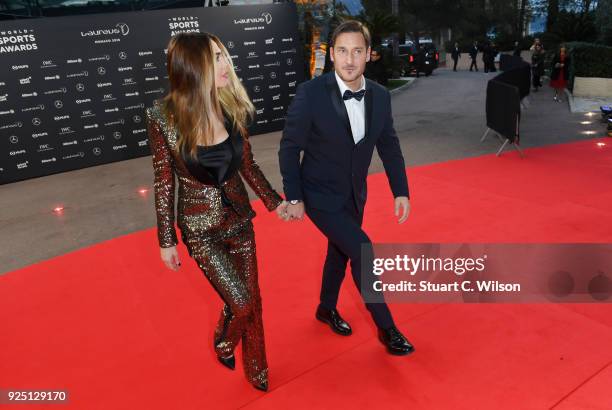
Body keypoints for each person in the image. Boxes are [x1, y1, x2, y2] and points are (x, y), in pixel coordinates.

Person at [145, 32, 287, 392]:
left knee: (254, 300)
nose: (227, 65)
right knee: (240, 304)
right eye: (217, 58)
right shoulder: (162, 116)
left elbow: (248, 165)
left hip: (239, 221)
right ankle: (225, 342)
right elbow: (164, 180)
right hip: (200, 229)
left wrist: (275, 202)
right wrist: (167, 241)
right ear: (194, 66)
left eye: (225, 56)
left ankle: (258, 371)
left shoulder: (230, 105)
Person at [278, 20, 415, 356]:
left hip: (355, 194)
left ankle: (325, 308)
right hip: (318, 195)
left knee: (339, 252)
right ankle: (387, 328)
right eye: (342, 51)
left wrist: (401, 190)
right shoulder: (310, 94)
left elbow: (389, 146)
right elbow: (288, 147)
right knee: (362, 251)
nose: (350, 59)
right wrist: (294, 196)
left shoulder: (380, 97)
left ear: (369, 54)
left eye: (357, 51)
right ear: (332, 54)